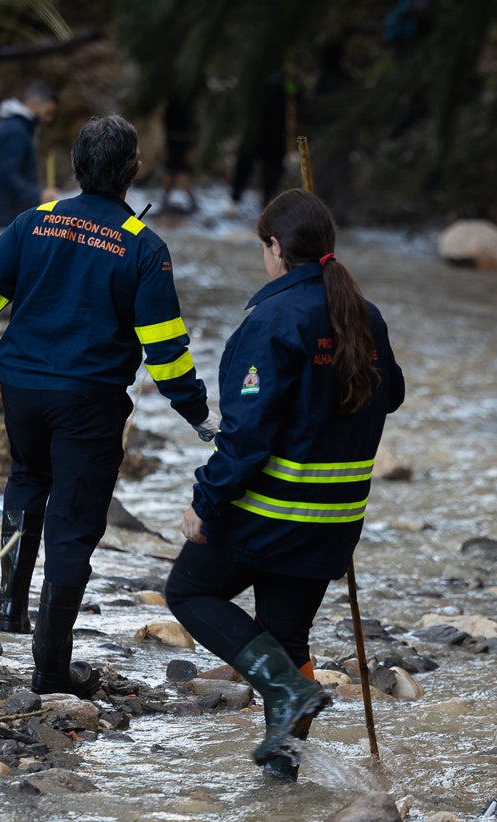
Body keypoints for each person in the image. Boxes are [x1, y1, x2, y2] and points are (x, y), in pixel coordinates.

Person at [0, 114, 218, 696]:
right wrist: (198, 414)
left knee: (28, 477)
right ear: (134, 170)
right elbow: (164, 349)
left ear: (75, 168)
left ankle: (10, 609)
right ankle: (52, 670)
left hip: (22, 387)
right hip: (88, 400)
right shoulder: (143, 247)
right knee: (74, 523)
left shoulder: (32, 223)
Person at [165, 190, 404, 779]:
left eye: (263, 249)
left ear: (275, 248)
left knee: (189, 592)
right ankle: (281, 777)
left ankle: (282, 690)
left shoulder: (272, 320)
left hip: (269, 513)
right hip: (334, 520)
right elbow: (391, 395)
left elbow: (245, 437)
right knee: (287, 636)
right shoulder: (363, 314)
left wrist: (206, 501)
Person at [0, 83, 58, 242]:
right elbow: (7, 175)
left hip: (9, 218)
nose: (49, 119)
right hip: (5, 219)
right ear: (32, 105)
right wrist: (39, 195)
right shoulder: (15, 131)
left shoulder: (17, 128)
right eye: (47, 112)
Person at [230, 69, 290, 209]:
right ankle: (238, 198)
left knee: (268, 171)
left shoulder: (287, 85)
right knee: (246, 167)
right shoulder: (255, 82)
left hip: (271, 136)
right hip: (262, 135)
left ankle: (263, 200)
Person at [160, 91, 199, 215]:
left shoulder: (180, 93)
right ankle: (167, 199)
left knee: (176, 170)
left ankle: (166, 199)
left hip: (178, 137)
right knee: (180, 170)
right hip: (179, 137)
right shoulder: (185, 93)